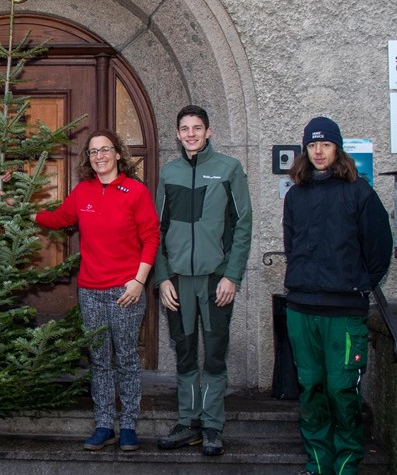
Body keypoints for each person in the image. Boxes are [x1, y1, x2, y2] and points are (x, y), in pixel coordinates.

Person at [32, 129, 159, 452]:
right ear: (88, 159)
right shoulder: (84, 192)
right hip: (90, 290)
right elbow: (59, 218)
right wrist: (24, 212)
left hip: (127, 290)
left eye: (105, 150)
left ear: (118, 154)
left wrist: (139, 281)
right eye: (93, 152)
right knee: (100, 360)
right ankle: (105, 424)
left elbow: (151, 238)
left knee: (127, 358)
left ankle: (128, 424)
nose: (99, 156)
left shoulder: (135, 191)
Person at [282, 117, 392, 475]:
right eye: (312, 146)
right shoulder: (295, 195)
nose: (318, 152)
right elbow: (291, 244)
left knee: (342, 390)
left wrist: (359, 283)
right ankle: (317, 462)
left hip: (343, 312)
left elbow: (379, 248)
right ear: (305, 150)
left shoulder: (359, 192)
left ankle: (346, 464)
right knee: (311, 388)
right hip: (301, 309)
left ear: (336, 149)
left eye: (325, 145)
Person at [153, 104, 253, 456]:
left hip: (215, 281)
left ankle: (211, 426)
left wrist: (232, 276)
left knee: (213, 355)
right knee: (184, 353)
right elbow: (157, 230)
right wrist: (162, 278)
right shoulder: (169, 173)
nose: (191, 133)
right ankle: (187, 422)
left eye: (197, 127)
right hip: (178, 281)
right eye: (185, 128)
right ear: (178, 134)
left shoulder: (229, 169)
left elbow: (243, 225)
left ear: (209, 131)